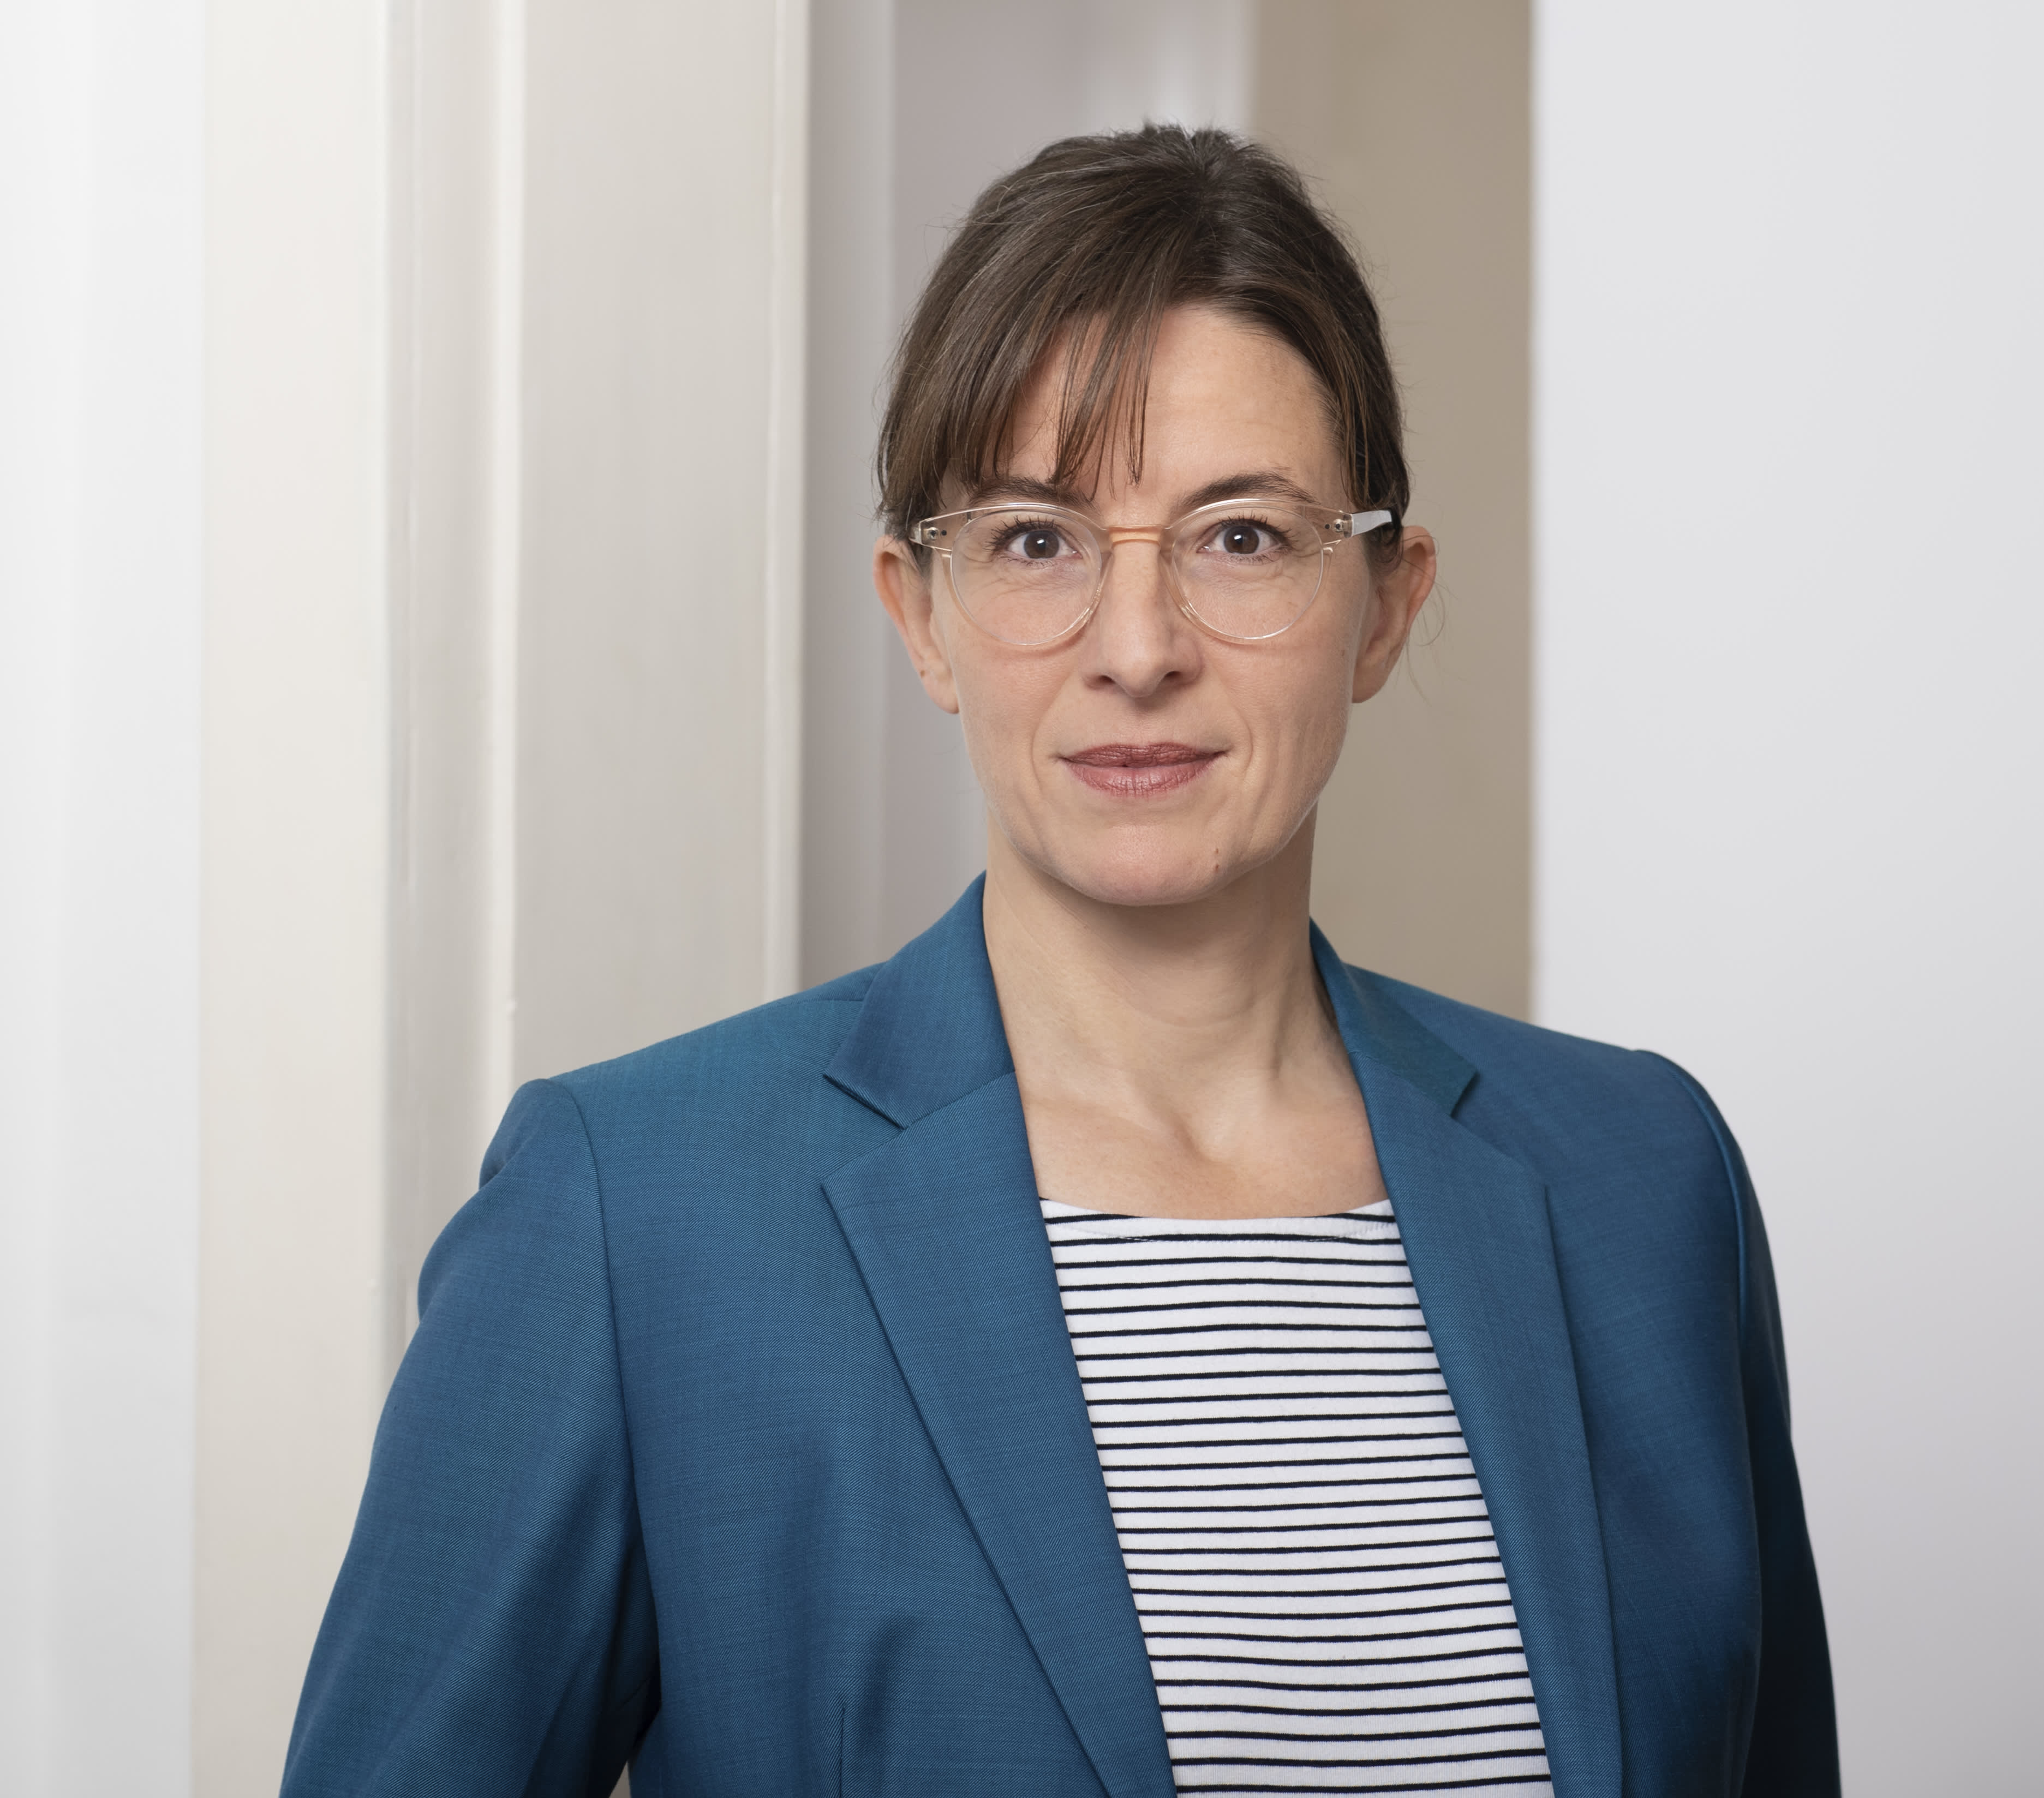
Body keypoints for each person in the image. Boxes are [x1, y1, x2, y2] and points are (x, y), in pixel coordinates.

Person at [283, 124, 1837, 1797]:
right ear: (919, 612)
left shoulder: (1642, 1179)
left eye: (1241, 537)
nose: (1139, 648)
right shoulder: (635, 1213)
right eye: (1036, 540)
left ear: (1385, 604)